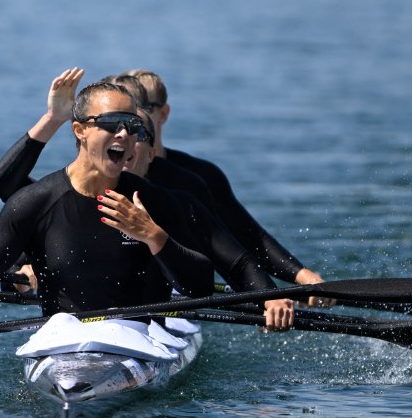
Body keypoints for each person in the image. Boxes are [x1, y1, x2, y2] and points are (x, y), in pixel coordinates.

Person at [0, 81, 291, 346]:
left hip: (144, 337)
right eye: (112, 123)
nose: (124, 133)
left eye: (132, 125)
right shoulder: (33, 203)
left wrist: (153, 236)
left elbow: (208, 282)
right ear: (79, 130)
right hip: (62, 340)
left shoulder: (158, 202)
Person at [123, 69, 331, 306]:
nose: (128, 125)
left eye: (140, 108)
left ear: (163, 113)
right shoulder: (94, 181)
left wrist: (282, 286)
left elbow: (239, 242)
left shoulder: (194, 180)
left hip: (179, 290)